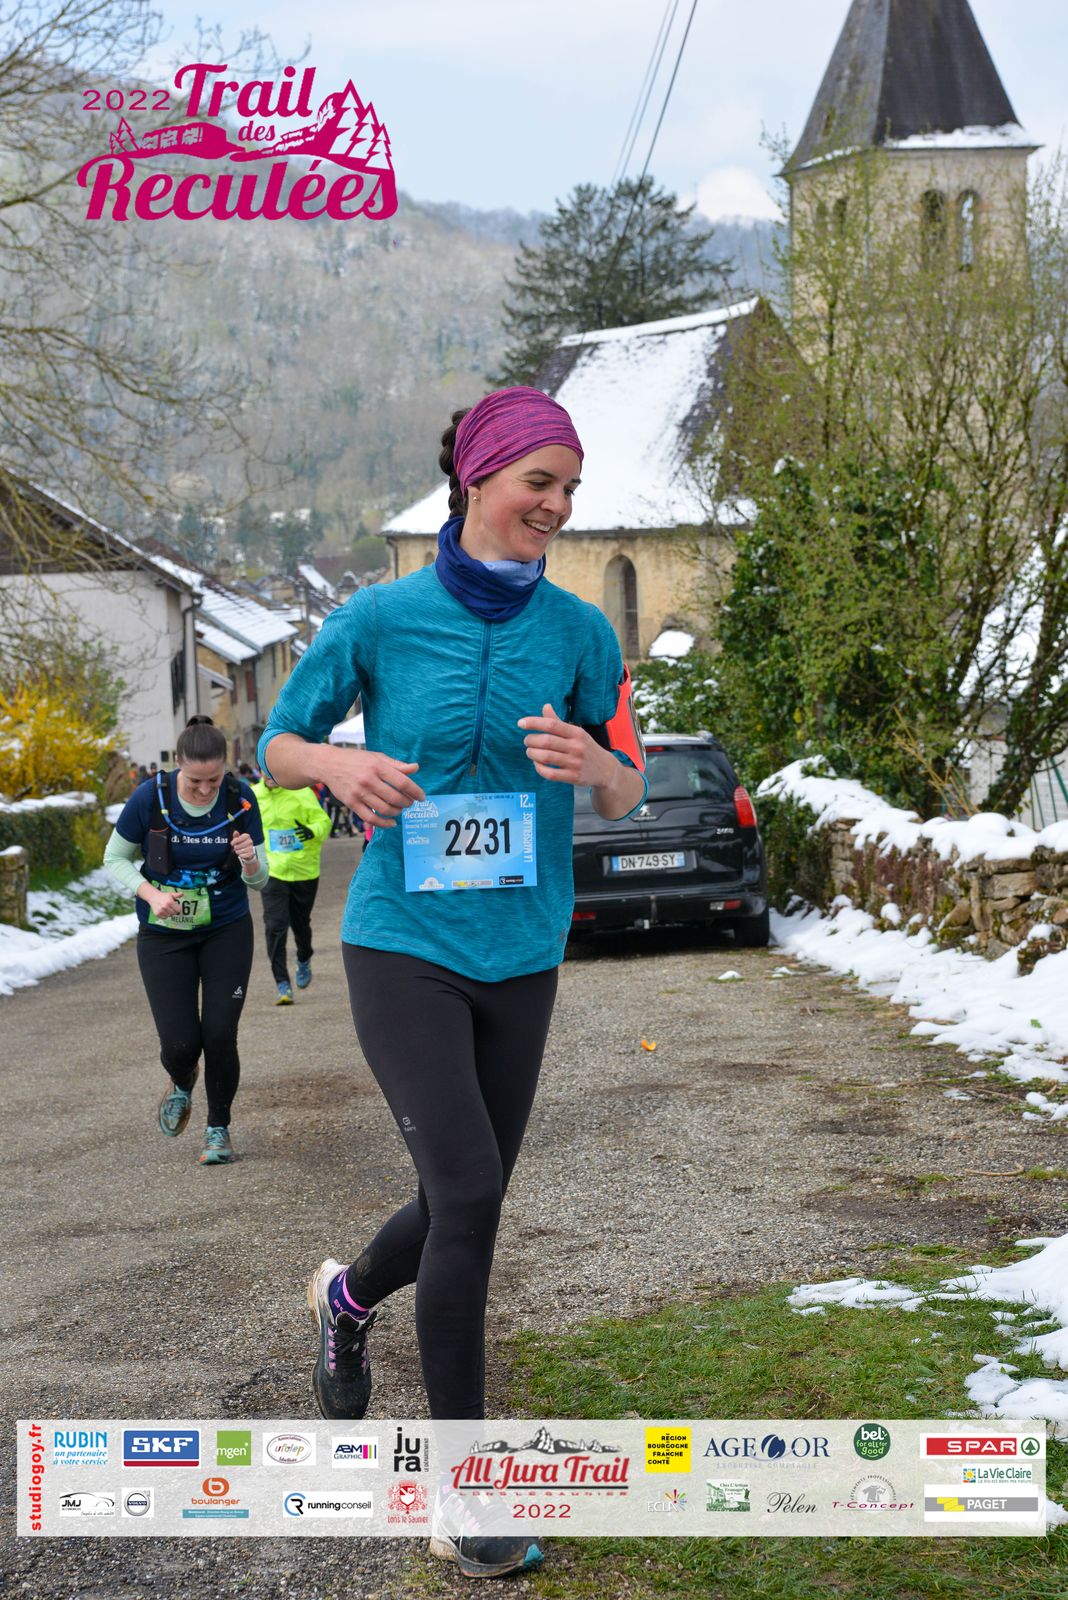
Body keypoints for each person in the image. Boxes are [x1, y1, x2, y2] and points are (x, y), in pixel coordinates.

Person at [257, 386, 646, 1579]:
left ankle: (347, 1301)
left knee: (459, 1200)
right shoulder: (379, 618)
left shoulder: (580, 634)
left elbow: (627, 779)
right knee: (470, 1189)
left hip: (522, 951)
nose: (557, 505)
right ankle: (464, 1494)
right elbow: (278, 741)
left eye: (570, 489)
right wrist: (338, 766)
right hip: (402, 943)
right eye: (539, 481)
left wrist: (597, 766)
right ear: (478, 478)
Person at [104, 715, 269, 1165]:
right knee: (180, 1044)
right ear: (178, 764)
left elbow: (259, 882)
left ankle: (218, 1129)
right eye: (195, 781)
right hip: (164, 935)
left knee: (220, 1033)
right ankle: (181, 1079)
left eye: (213, 779)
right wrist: (152, 895)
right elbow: (114, 858)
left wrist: (250, 861)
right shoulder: (150, 796)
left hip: (226, 929)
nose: (204, 789)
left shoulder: (239, 798)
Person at [250, 770, 333, 1004]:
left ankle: (304, 958)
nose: (270, 776)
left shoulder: (301, 793)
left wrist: (311, 831)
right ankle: (282, 983)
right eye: (265, 770)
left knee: (301, 924)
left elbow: (324, 822)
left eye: (274, 771)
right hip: (272, 871)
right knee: (275, 926)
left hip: (304, 870)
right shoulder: (253, 796)